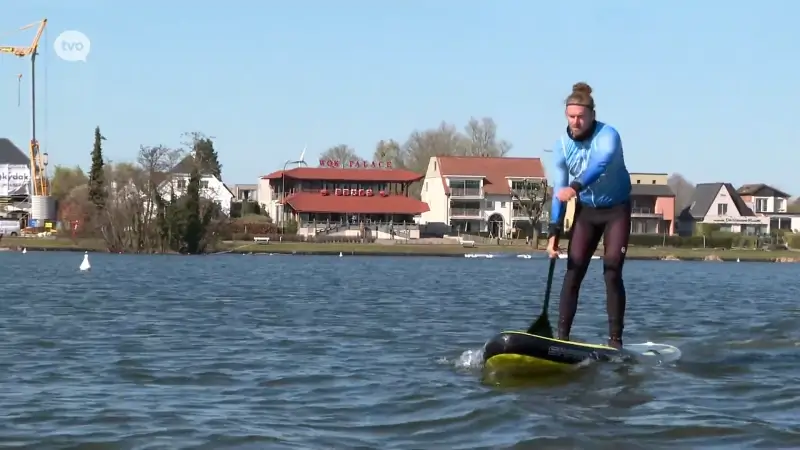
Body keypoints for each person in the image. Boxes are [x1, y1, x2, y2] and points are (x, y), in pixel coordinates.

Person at [546, 82, 632, 349]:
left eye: (581, 116)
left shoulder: (608, 135)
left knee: (612, 269)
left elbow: (600, 163)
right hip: (586, 212)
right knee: (573, 270)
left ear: (592, 115)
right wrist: (553, 231)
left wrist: (575, 187)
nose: (576, 122)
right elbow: (559, 190)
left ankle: (615, 341)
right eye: (571, 116)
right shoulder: (561, 147)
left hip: (616, 209)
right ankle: (561, 339)